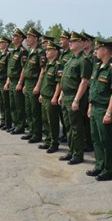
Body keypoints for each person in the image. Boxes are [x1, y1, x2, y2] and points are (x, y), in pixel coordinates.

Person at [86, 39, 112, 181]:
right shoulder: (97, 66)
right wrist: (90, 106)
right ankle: (99, 165)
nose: (96, 51)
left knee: (106, 140)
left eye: (98, 48)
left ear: (105, 50)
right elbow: (93, 88)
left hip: (104, 109)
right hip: (95, 107)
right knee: (96, 139)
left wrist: (109, 113)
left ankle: (108, 170)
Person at [58, 31, 92, 165]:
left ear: (82, 43)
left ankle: (78, 154)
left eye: (74, 41)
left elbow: (84, 81)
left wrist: (77, 100)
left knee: (76, 127)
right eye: (70, 41)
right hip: (66, 95)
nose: (70, 43)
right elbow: (64, 79)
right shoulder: (71, 59)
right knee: (68, 127)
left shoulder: (84, 60)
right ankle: (71, 151)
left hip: (74, 96)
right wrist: (61, 94)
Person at [20, 27, 46, 143]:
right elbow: (25, 69)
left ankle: (37, 134)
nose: (27, 40)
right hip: (28, 83)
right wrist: (24, 83)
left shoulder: (40, 52)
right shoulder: (30, 52)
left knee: (35, 111)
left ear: (36, 38)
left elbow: (43, 69)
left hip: (35, 83)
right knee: (28, 109)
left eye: (29, 37)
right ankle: (31, 131)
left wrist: (38, 86)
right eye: (26, 37)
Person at [38, 41, 62, 153]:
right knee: (45, 120)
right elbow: (44, 81)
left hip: (51, 96)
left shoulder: (58, 65)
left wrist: (55, 97)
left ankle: (54, 143)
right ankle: (47, 141)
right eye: (46, 50)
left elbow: (59, 83)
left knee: (52, 121)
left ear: (56, 51)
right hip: (45, 95)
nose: (46, 52)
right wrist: (42, 94)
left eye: (49, 50)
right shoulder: (48, 64)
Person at [4, 28, 28, 134]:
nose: (13, 38)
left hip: (17, 81)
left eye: (15, 36)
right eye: (13, 36)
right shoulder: (13, 52)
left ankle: (20, 126)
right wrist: (8, 81)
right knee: (12, 105)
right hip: (11, 80)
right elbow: (10, 68)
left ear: (21, 38)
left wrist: (20, 82)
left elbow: (24, 68)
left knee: (19, 106)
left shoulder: (23, 52)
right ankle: (15, 124)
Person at [58, 30, 73, 142]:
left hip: (70, 90)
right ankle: (65, 135)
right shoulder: (62, 54)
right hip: (60, 86)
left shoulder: (71, 55)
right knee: (63, 116)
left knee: (72, 122)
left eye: (62, 39)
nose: (60, 41)